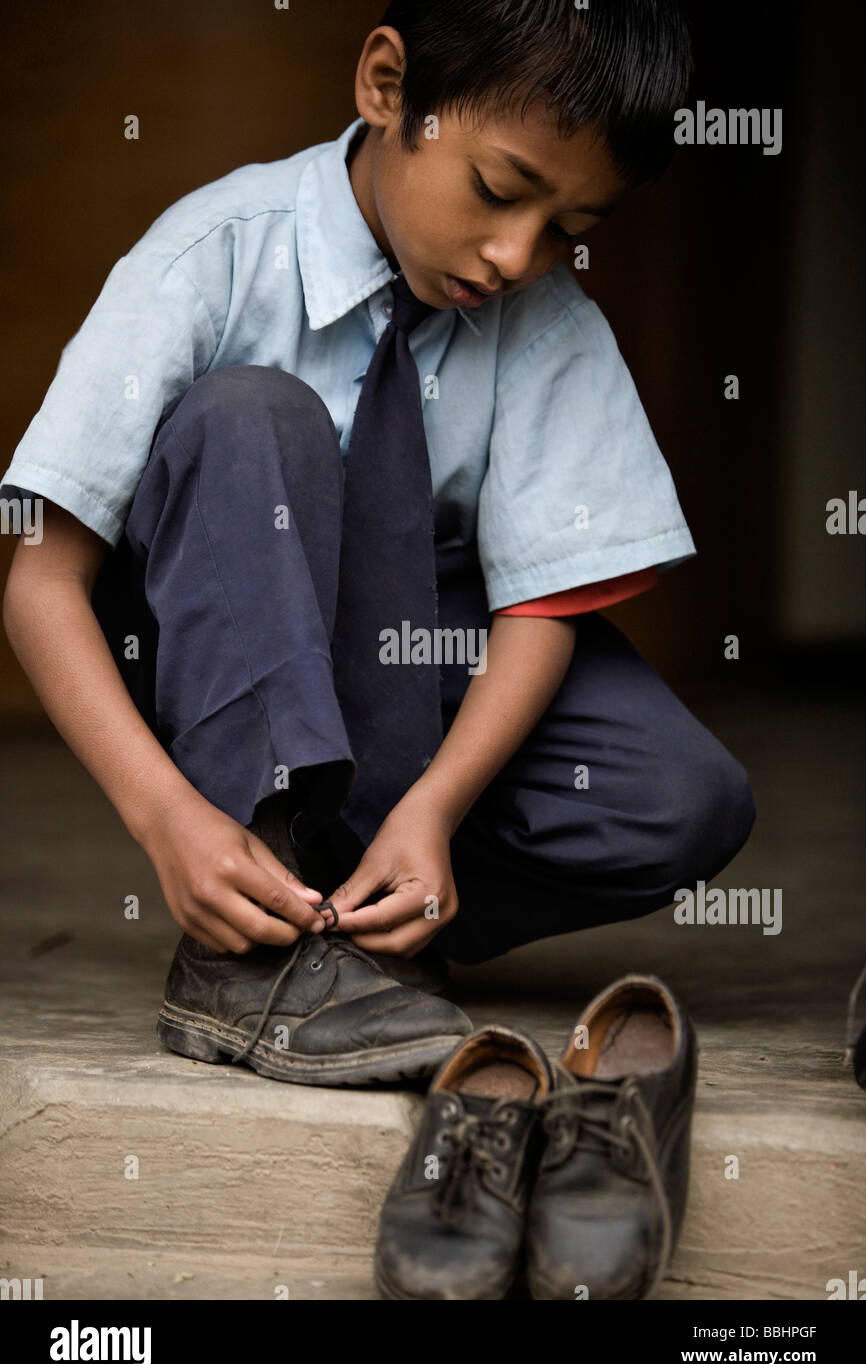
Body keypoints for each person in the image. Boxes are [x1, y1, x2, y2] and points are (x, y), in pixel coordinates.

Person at [1, 0, 755, 1086]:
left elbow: (539, 605)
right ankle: (241, 930)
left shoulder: (547, 324)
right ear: (389, 88)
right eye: (497, 190)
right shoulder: (211, 256)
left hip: (424, 645)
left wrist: (436, 808)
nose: (513, 254)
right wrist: (164, 815)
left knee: (683, 797)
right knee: (250, 416)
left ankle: (350, 922)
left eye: (565, 231)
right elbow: (42, 581)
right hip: (219, 629)